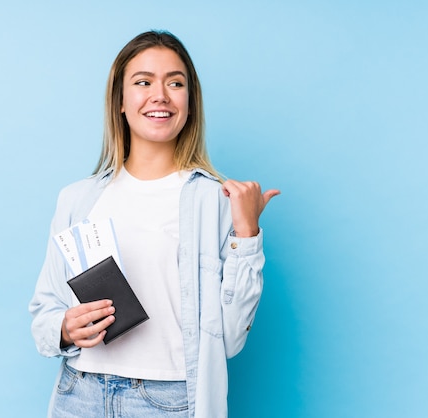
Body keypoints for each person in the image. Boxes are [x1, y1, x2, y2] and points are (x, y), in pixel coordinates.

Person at [29, 30, 279, 418]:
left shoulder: (218, 201)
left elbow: (228, 340)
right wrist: (64, 328)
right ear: (121, 102)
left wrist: (247, 235)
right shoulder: (77, 199)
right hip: (78, 393)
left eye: (175, 83)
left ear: (190, 104)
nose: (159, 95)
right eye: (143, 82)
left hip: (170, 401)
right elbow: (44, 313)